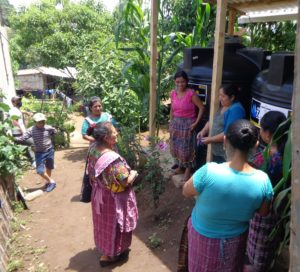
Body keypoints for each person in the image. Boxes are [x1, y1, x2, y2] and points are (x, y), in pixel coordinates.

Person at [182, 119, 273, 272]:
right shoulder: (263, 181)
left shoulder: (208, 172)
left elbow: (186, 191)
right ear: (256, 145)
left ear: (225, 141)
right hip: (235, 241)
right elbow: (263, 212)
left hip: (202, 237)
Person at [88, 122, 138, 267]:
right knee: (116, 226)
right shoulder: (112, 160)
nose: (117, 134)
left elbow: (91, 173)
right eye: (114, 132)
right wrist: (133, 174)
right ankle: (112, 255)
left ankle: (106, 250)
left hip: (99, 194)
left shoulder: (93, 149)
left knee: (103, 224)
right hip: (113, 199)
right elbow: (124, 182)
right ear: (106, 137)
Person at [246, 111, 289, 272]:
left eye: (261, 128)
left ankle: (256, 268)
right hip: (276, 206)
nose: (260, 132)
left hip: (264, 207)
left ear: (268, 133)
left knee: (259, 243)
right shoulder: (285, 153)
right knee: (265, 243)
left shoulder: (271, 158)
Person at [169, 70, 205, 182]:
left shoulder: (191, 94)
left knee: (187, 149)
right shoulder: (173, 93)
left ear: (187, 82)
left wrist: (196, 123)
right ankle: (180, 167)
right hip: (176, 124)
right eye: (178, 82)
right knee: (177, 147)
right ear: (175, 81)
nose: (180, 84)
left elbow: (201, 108)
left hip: (188, 125)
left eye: (183, 82)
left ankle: (187, 171)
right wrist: (171, 122)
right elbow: (172, 109)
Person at [197, 84, 245, 163]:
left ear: (232, 97)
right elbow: (213, 120)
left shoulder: (236, 110)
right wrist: (203, 131)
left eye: (223, 96)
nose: (220, 98)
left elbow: (229, 133)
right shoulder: (224, 105)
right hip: (217, 152)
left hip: (226, 154)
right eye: (219, 95)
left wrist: (210, 139)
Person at [15, 113, 57, 192]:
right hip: (39, 153)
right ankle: (52, 182)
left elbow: (54, 131)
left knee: (49, 167)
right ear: (35, 122)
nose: (41, 124)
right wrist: (13, 138)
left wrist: (54, 130)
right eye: (39, 122)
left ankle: (48, 182)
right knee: (40, 171)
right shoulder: (31, 130)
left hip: (50, 150)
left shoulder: (48, 128)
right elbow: (23, 138)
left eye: (43, 122)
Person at [9, 96, 36, 167]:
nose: (19, 102)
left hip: (21, 133)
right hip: (18, 134)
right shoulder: (13, 110)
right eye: (17, 101)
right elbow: (14, 121)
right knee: (33, 142)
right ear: (13, 103)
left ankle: (33, 161)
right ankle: (35, 161)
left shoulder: (17, 110)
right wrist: (23, 132)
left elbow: (21, 112)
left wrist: (27, 113)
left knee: (30, 144)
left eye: (19, 100)